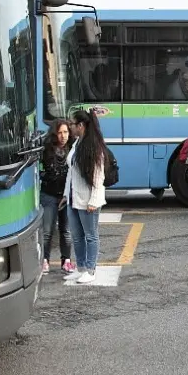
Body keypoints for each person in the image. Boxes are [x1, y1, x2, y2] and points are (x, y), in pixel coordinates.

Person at [63, 109, 109, 284]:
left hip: (88, 199)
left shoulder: (93, 147)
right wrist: (66, 195)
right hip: (74, 197)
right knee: (76, 235)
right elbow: (71, 172)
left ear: (81, 126)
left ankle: (90, 269)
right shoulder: (77, 143)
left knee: (90, 235)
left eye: (72, 124)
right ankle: (81, 267)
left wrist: (94, 201)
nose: (70, 127)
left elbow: (98, 176)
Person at [40, 118, 73, 274]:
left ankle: (66, 261)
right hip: (49, 195)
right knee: (47, 230)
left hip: (66, 196)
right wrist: (45, 176)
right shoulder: (46, 149)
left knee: (66, 231)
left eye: (65, 132)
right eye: (60, 132)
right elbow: (39, 170)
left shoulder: (73, 149)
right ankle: (44, 260)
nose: (63, 136)